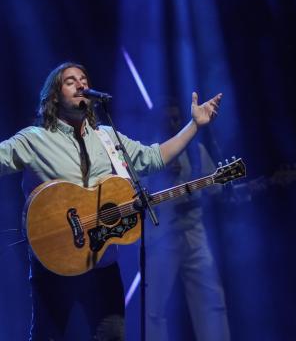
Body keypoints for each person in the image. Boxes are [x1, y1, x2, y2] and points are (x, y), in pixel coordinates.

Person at [0, 61, 222, 341]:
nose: (81, 84)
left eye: (83, 79)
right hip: (54, 262)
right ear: (54, 96)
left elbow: (152, 158)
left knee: (113, 335)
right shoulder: (34, 139)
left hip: (102, 266)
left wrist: (194, 126)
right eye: (70, 81)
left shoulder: (106, 137)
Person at [145, 99, 231, 341]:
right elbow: (133, 197)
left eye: (175, 118)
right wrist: (158, 180)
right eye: (167, 119)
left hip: (194, 232)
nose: (172, 123)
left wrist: (219, 188)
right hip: (160, 239)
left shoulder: (197, 151)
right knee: (153, 309)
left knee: (211, 300)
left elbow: (215, 193)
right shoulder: (148, 154)